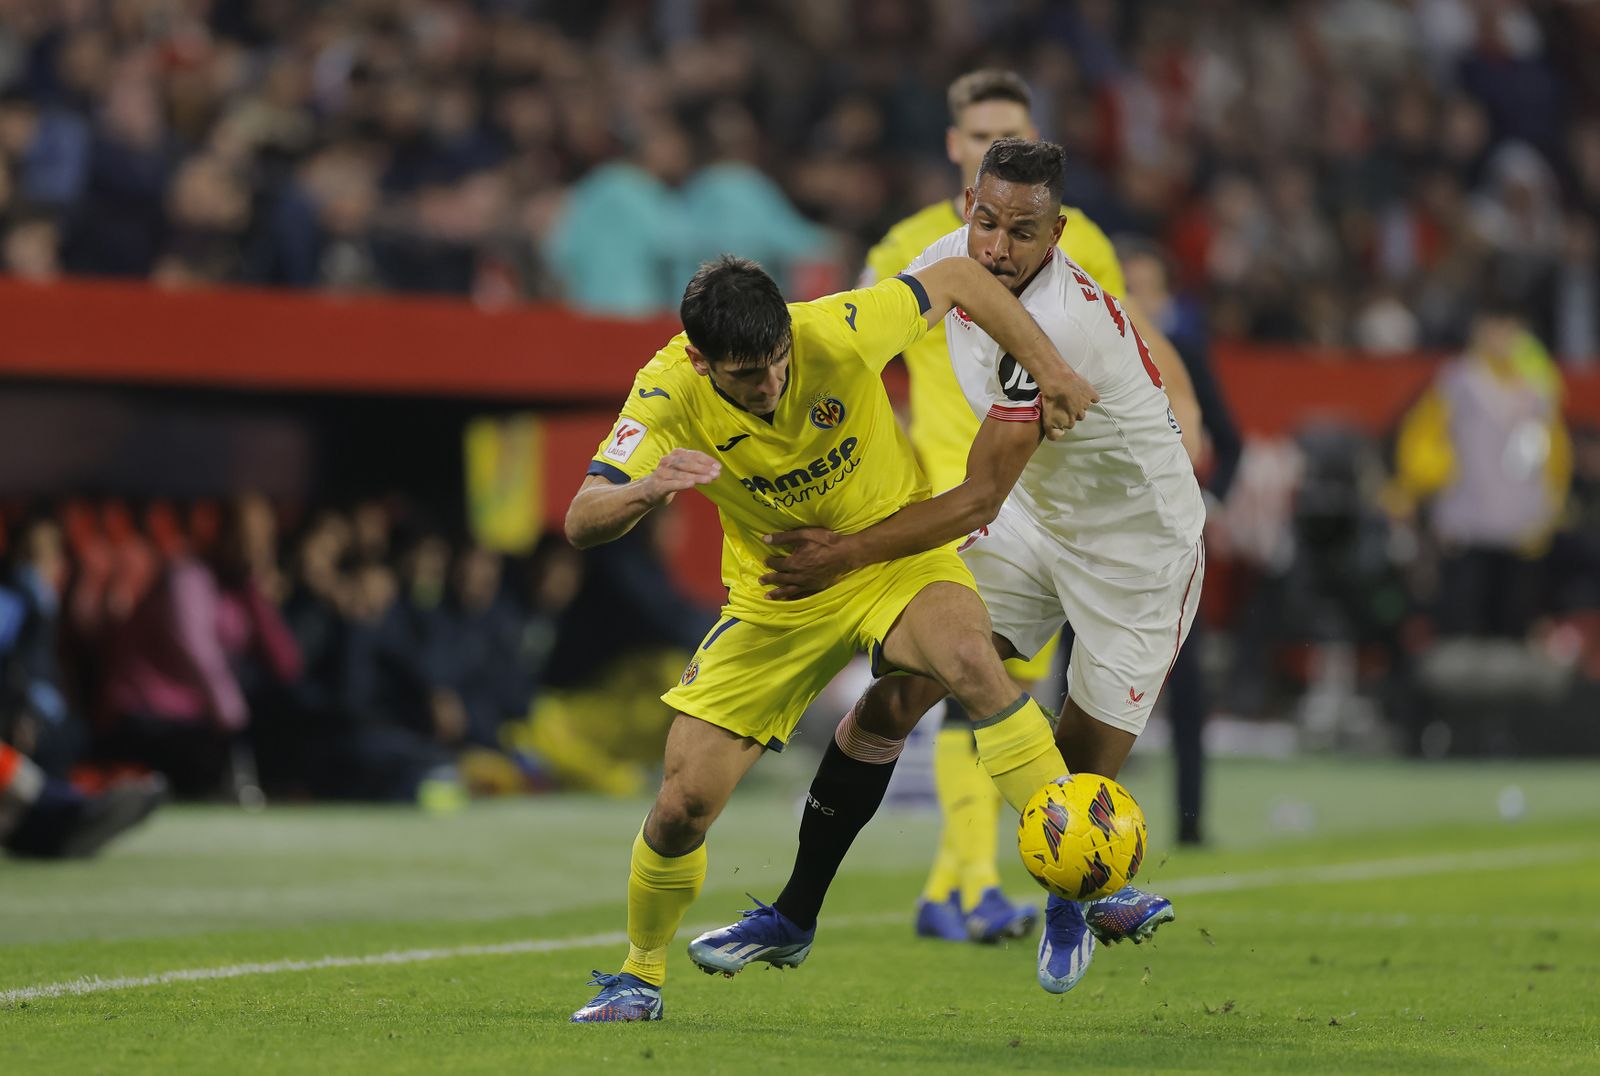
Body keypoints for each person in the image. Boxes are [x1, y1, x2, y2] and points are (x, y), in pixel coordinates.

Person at [695, 140, 1205, 996]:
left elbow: (973, 500)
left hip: (1137, 548)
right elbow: (849, 338)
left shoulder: (1065, 321)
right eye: (987, 221)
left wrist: (844, 553)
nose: (998, 248)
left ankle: (1071, 901)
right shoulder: (949, 262)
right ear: (968, 204)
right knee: (894, 693)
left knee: (1077, 768)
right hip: (1032, 522)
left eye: (1024, 232)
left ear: (1060, 233)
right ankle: (792, 915)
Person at [566, 249, 1100, 1022]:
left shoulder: (836, 328)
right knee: (683, 803)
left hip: (892, 557)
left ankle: (1077, 877)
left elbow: (956, 279)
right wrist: (647, 489)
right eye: (747, 375)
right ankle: (638, 977)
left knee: (968, 661)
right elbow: (583, 517)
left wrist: (1047, 366)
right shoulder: (666, 391)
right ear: (700, 360)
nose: (772, 384)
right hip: (779, 595)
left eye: (777, 361)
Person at [859, 69, 1205, 942]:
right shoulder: (908, 241)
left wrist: (1184, 410)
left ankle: (973, 882)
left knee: (1013, 697)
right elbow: (864, 351)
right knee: (963, 673)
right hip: (954, 485)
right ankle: (971, 880)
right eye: (979, 136)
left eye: (1007, 131)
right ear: (956, 150)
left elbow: (1128, 331)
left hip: (1035, 484)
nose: (990, 148)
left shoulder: (1073, 237)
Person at [1119, 238, 1243, 845]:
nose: (1133, 296)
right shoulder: (1094, 345)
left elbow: (1231, 438)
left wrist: (1207, 503)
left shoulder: (1182, 350)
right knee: (1075, 681)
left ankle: (1191, 824)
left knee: (1186, 681)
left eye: (1143, 284)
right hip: (1099, 538)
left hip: (1168, 540)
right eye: (1126, 285)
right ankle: (1067, 823)